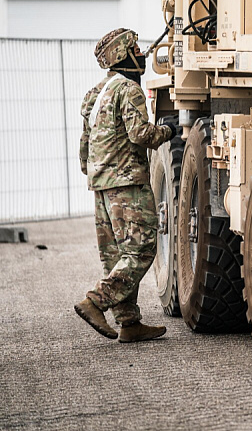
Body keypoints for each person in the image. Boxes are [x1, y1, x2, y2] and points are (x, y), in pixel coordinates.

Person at [74, 28, 177, 342]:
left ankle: (129, 323)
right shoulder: (129, 90)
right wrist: (168, 131)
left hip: (101, 184)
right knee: (142, 249)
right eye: (135, 49)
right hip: (127, 184)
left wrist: (97, 175)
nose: (142, 55)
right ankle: (95, 302)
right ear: (123, 56)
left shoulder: (96, 93)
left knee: (116, 256)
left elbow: (84, 148)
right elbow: (140, 135)